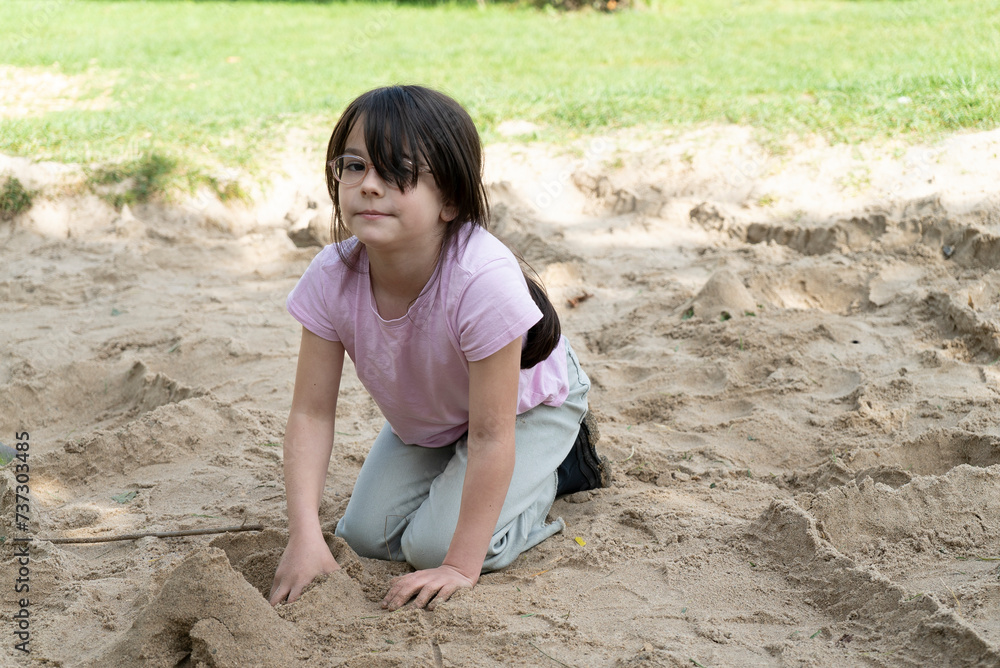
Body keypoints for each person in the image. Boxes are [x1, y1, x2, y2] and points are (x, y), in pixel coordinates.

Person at [268, 85, 611, 612]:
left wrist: (459, 566)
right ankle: (467, 480)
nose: (369, 185)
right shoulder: (331, 275)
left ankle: (558, 468)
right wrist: (304, 536)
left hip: (525, 408)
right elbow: (311, 414)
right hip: (438, 413)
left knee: (432, 547)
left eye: (397, 171)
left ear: (450, 199)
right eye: (354, 166)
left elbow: (492, 436)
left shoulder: (482, 280)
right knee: (365, 537)